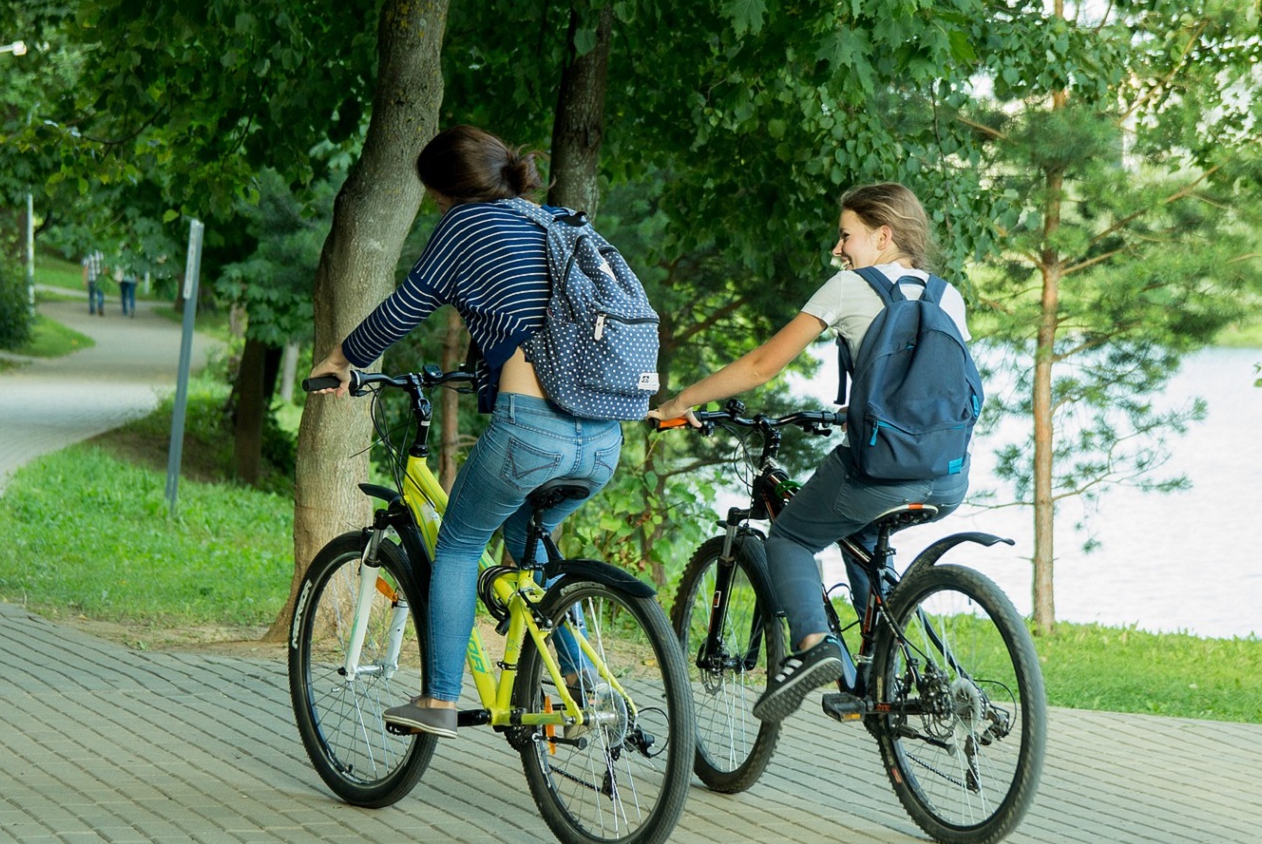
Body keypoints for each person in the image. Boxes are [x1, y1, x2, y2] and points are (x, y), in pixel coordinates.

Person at [308, 125, 624, 739]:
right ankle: (575, 684)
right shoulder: (551, 221)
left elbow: (406, 306)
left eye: (432, 192)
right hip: (604, 436)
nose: (433, 204)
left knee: (455, 545)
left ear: (447, 188)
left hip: (531, 433)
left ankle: (438, 701)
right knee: (530, 545)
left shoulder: (465, 225)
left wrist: (342, 358)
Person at [649, 182, 972, 723]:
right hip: (948, 477)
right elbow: (930, 392)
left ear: (883, 235)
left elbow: (760, 366)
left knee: (793, 536)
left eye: (846, 235)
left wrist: (679, 401)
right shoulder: (949, 296)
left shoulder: (848, 289)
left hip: (879, 473)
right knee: (860, 536)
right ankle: (877, 679)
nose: (839, 248)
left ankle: (815, 646)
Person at [82, 249, 106, 315]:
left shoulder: (88, 255)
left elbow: (86, 268)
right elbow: (105, 267)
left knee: (91, 295)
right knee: (100, 294)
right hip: (100, 278)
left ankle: (92, 310)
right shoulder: (101, 255)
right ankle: (100, 307)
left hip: (91, 278)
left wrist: (84, 279)